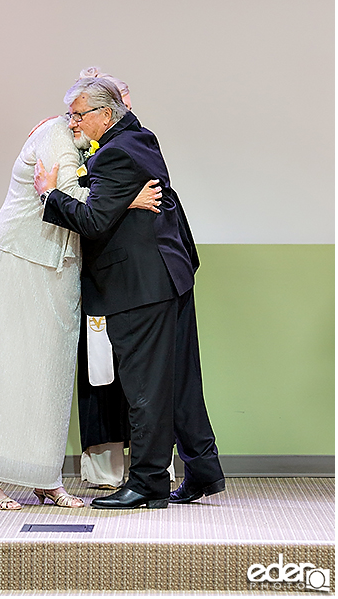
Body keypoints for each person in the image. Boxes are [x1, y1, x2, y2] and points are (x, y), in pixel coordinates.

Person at [0, 76, 162, 510]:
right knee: (10, 366)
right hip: (21, 259)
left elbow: (83, 197)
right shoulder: (54, 134)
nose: (77, 121)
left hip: (59, 266)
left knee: (51, 373)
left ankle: (44, 476)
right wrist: (127, 199)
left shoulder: (84, 144)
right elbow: (74, 202)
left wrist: (114, 196)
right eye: (75, 111)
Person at [35, 75, 225, 509]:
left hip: (140, 284)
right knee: (177, 383)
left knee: (145, 388)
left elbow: (94, 221)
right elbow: (110, 205)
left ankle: (148, 483)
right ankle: (202, 470)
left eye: (79, 114)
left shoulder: (114, 154)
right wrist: (123, 200)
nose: (73, 122)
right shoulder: (138, 138)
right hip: (167, 276)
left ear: (106, 113)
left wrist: (49, 194)